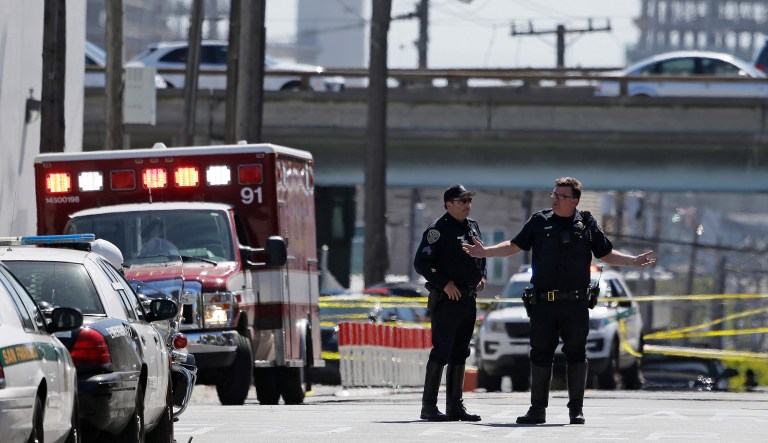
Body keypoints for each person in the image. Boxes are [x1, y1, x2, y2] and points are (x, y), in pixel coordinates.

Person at [463, 177, 655, 425]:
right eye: (553, 194)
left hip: (575, 303)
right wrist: (485, 252)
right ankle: (537, 410)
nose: (555, 199)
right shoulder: (539, 221)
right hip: (543, 303)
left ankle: (576, 409)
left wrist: (633, 260)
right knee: (540, 354)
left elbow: (606, 253)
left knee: (576, 354)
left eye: (561, 196)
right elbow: (514, 245)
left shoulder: (585, 223)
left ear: (574, 200)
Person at [414, 184, 487, 422]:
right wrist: (444, 283)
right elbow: (422, 263)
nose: (468, 205)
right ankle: (429, 406)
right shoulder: (438, 229)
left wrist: (481, 277)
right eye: (462, 201)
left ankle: (455, 405)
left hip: (468, 299)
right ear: (449, 205)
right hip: (447, 300)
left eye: (469, 201)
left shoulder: (472, 226)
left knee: (461, 352)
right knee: (442, 351)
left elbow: (480, 255)